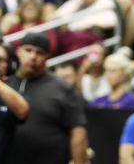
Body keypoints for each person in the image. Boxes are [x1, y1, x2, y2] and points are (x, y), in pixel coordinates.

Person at [5, 33, 88, 164]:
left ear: (47, 57)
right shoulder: (6, 85)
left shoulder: (62, 88)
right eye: (28, 50)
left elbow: (78, 131)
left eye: (40, 53)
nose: (33, 57)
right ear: (18, 52)